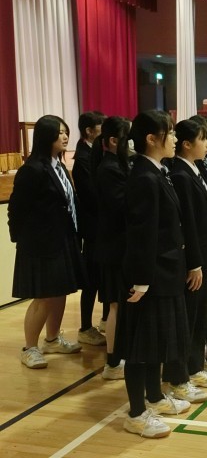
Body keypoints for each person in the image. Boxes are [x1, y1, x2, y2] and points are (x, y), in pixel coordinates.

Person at [118, 110, 191, 438]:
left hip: (165, 272)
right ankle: (135, 414)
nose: (174, 138)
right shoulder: (144, 177)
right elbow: (141, 234)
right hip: (150, 276)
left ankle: (154, 397)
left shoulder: (158, 171)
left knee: (156, 343)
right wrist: (142, 280)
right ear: (151, 138)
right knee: (140, 347)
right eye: (169, 133)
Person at [10, 115, 84, 369]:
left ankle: (52, 339)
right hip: (40, 244)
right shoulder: (32, 169)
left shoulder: (59, 166)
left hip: (63, 239)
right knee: (43, 297)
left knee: (60, 291)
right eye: (59, 132)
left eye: (66, 131)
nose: (65, 136)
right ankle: (29, 347)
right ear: (45, 136)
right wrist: (21, 240)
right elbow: (17, 209)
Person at [163, 119, 207, 403]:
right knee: (186, 322)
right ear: (187, 144)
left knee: (199, 317)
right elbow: (188, 224)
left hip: (205, 258)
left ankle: (195, 367)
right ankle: (178, 377)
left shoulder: (196, 170)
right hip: (192, 262)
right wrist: (195, 263)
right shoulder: (180, 175)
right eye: (203, 139)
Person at [91, 116, 131, 380]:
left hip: (121, 245)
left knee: (122, 304)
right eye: (129, 138)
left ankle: (122, 355)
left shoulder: (120, 164)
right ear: (114, 141)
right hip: (114, 247)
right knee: (116, 305)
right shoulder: (109, 169)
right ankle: (113, 362)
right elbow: (121, 207)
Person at [73, 111, 107, 346]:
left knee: (104, 275)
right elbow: (92, 195)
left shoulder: (95, 152)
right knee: (92, 278)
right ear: (89, 130)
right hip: (94, 227)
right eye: (100, 127)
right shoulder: (83, 158)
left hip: (101, 225)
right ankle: (85, 326)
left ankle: (105, 319)